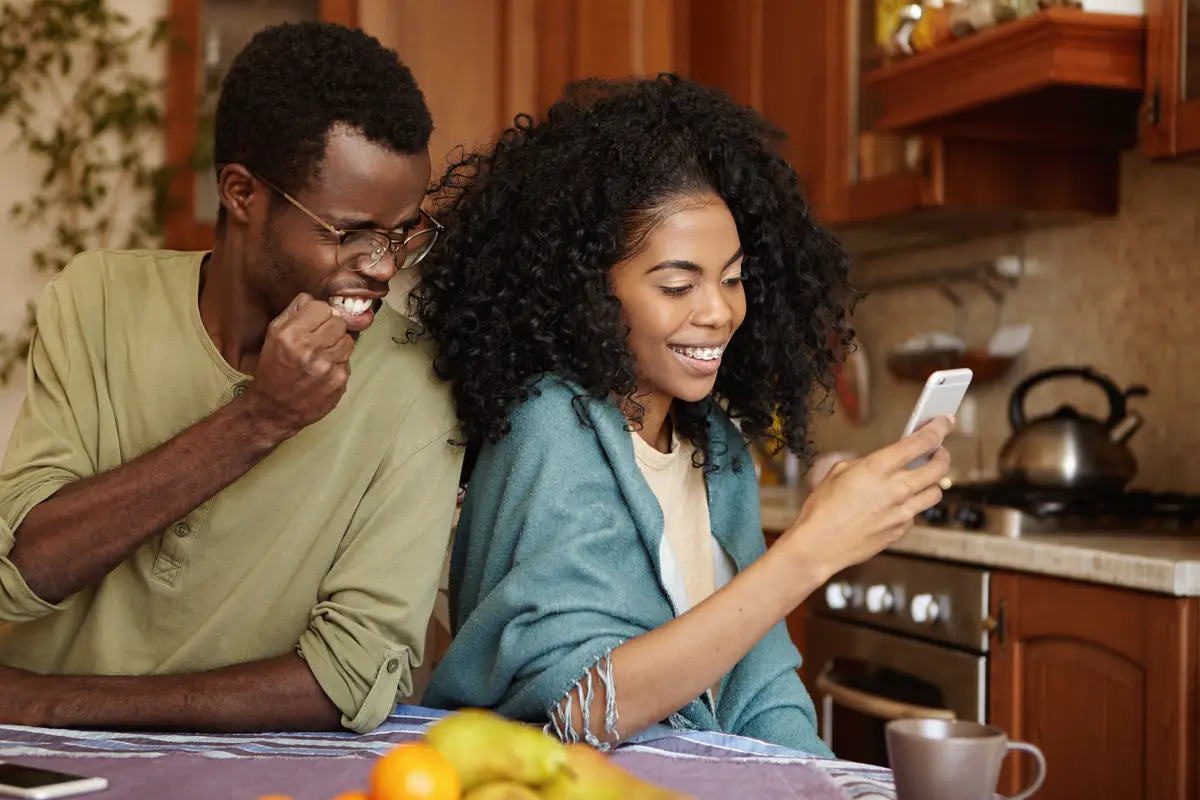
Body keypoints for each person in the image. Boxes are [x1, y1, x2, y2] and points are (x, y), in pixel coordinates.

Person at [415, 74, 953, 754]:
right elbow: (583, 712)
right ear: (588, 292)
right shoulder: (549, 424)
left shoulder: (715, 447)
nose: (719, 311)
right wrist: (812, 550)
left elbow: (759, 685)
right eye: (678, 285)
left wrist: (822, 781)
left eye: (732, 278)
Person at [0, 21, 462, 734]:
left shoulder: (415, 383)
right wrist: (258, 419)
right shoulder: (98, 300)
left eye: (401, 232)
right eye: (350, 233)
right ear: (242, 194)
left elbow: (352, 675)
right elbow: (24, 570)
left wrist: (53, 703)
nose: (383, 266)